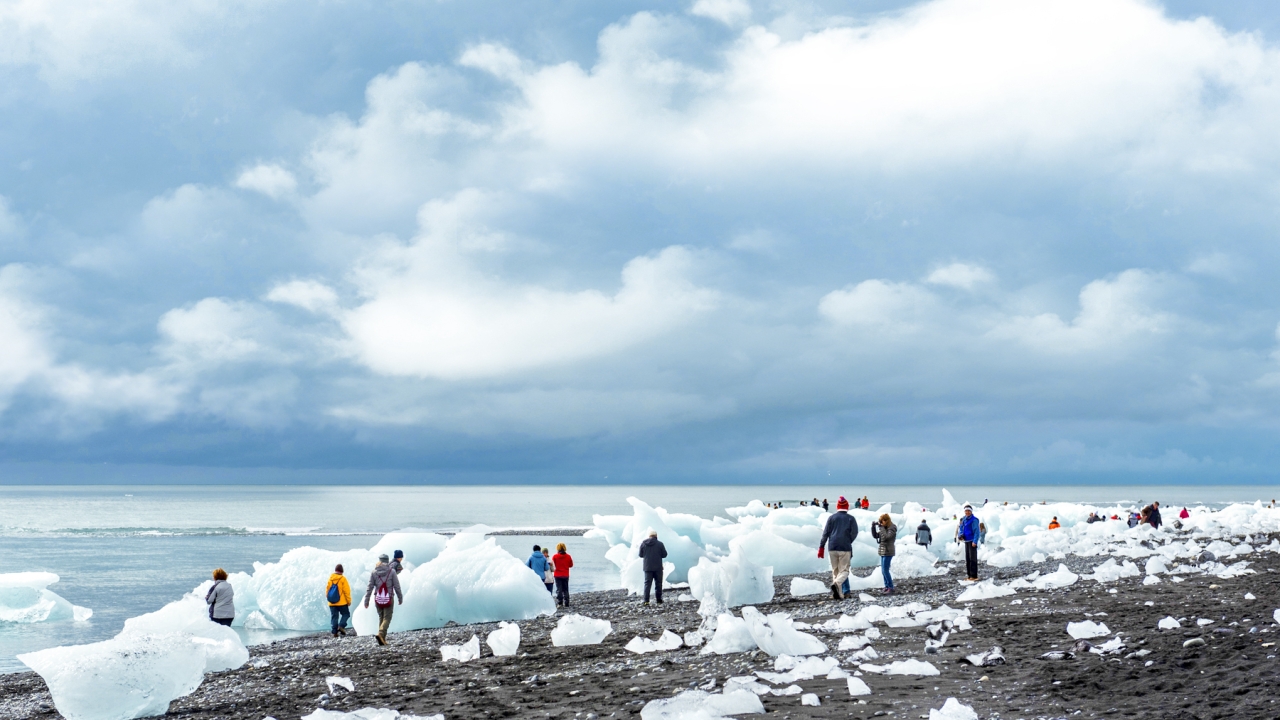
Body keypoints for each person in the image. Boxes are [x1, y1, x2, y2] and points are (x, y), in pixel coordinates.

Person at [817, 496, 858, 599]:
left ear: (837, 506)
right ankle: (837, 583)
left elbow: (825, 533)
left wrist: (821, 547)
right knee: (844, 570)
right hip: (845, 547)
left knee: (835, 570)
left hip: (832, 546)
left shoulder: (831, 518)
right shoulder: (850, 518)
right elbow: (854, 532)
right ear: (847, 506)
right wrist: (848, 540)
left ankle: (839, 594)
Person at [364, 554, 403, 645]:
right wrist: (400, 597)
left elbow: (370, 587)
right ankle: (381, 634)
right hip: (388, 598)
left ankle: (382, 639)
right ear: (387, 561)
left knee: (381, 617)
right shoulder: (392, 571)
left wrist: (367, 600)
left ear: (380, 560)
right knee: (387, 617)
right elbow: (397, 586)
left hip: (378, 598)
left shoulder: (374, 572)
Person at [638, 530, 668, 605]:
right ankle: (659, 600)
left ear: (649, 536)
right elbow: (664, 555)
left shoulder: (643, 544)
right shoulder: (660, 544)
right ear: (656, 536)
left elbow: (640, 555)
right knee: (658, 583)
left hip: (647, 567)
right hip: (658, 567)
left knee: (647, 584)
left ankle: (646, 600)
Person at [871, 513, 897, 593]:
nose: (881, 523)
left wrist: (881, 528)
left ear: (886, 521)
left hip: (888, 551)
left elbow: (887, 537)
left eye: (882, 521)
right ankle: (886, 586)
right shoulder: (884, 528)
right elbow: (876, 536)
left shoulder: (892, 528)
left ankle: (890, 587)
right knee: (883, 570)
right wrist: (873, 527)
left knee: (885, 570)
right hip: (883, 550)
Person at [326, 564, 352, 637]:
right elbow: (347, 591)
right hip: (342, 602)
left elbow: (327, 590)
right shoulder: (343, 579)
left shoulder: (330, 578)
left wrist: (329, 598)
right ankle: (341, 626)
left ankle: (335, 632)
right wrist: (348, 601)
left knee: (334, 617)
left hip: (332, 603)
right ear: (342, 571)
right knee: (346, 614)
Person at [957, 504, 980, 581]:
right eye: (966, 511)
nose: (967, 512)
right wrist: (960, 535)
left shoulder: (974, 520)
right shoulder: (964, 519)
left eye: (968, 511)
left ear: (971, 511)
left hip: (972, 541)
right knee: (968, 559)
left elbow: (977, 531)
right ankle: (969, 575)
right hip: (966, 540)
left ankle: (974, 575)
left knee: (973, 559)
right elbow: (961, 528)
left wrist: (975, 541)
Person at [553, 543, 574, 607]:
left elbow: (553, 565)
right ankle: (567, 602)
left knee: (559, 589)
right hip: (565, 574)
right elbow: (571, 565)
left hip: (557, 575)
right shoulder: (568, 556)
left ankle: (560, 602)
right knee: (565, 589)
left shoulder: (555, 556)